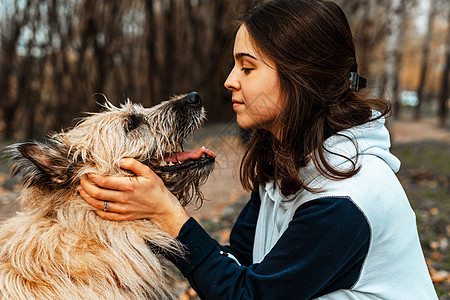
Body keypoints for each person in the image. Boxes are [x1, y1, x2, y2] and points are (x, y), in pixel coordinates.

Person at [78, 0, 438, 299]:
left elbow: (246, 296)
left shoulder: (347, 195)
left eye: (247, 68)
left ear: (302, 79)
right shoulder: (288, 163)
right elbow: (238, 264)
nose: (229, 81)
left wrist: (168, 215)